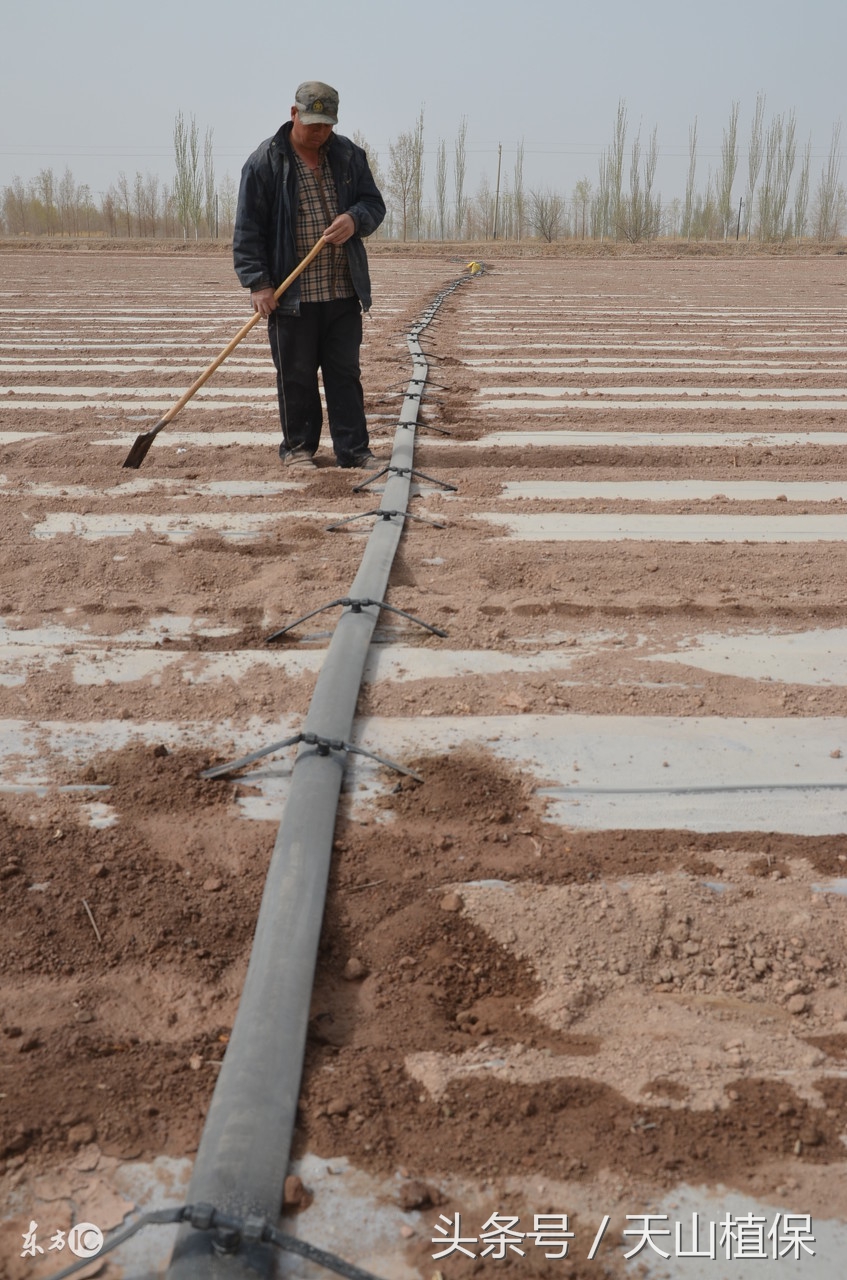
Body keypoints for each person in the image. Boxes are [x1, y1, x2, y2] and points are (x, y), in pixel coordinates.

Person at [233, 81, 386, 469]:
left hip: (341, 289)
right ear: (294, 114)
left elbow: (373, 204)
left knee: (344, 374)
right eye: (312, 123)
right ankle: (299, 448)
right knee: (295, 376)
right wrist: (259, 283)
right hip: (291, 296)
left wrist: (355, 220)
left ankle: (354, 451)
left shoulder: (349, 155)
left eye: (326, 125)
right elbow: (248, 230)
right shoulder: (264, 162)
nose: (319, 132)